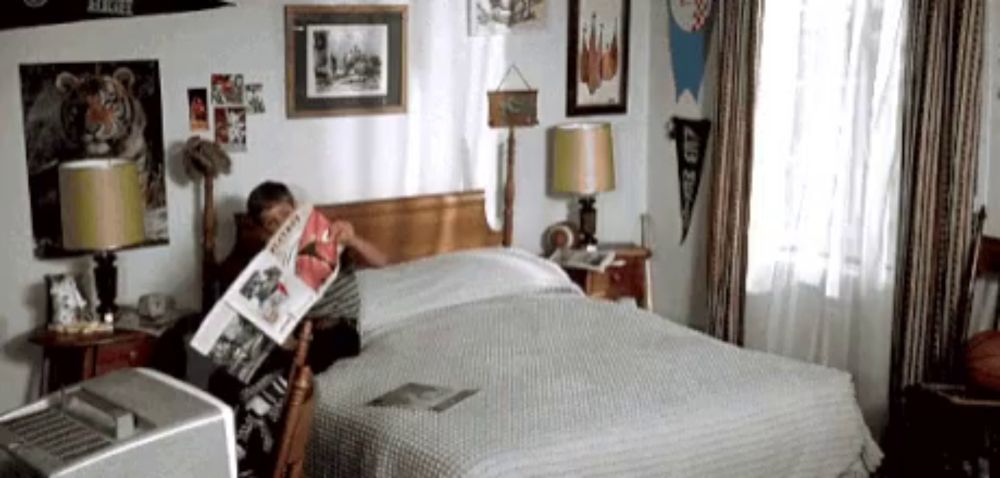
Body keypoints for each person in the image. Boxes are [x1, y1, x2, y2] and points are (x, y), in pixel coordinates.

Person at [210, 181, 387, 477]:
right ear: (261, 231)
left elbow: (384, 263)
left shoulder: (327, 239)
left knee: (286, 379)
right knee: (223, 379)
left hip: (336, 333)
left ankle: (257, 439)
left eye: (286, 216)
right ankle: (227, 456)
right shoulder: (267, 264)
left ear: (299, 213)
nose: (281, 226)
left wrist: (353, 240)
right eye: (270, 223)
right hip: (295, 338)